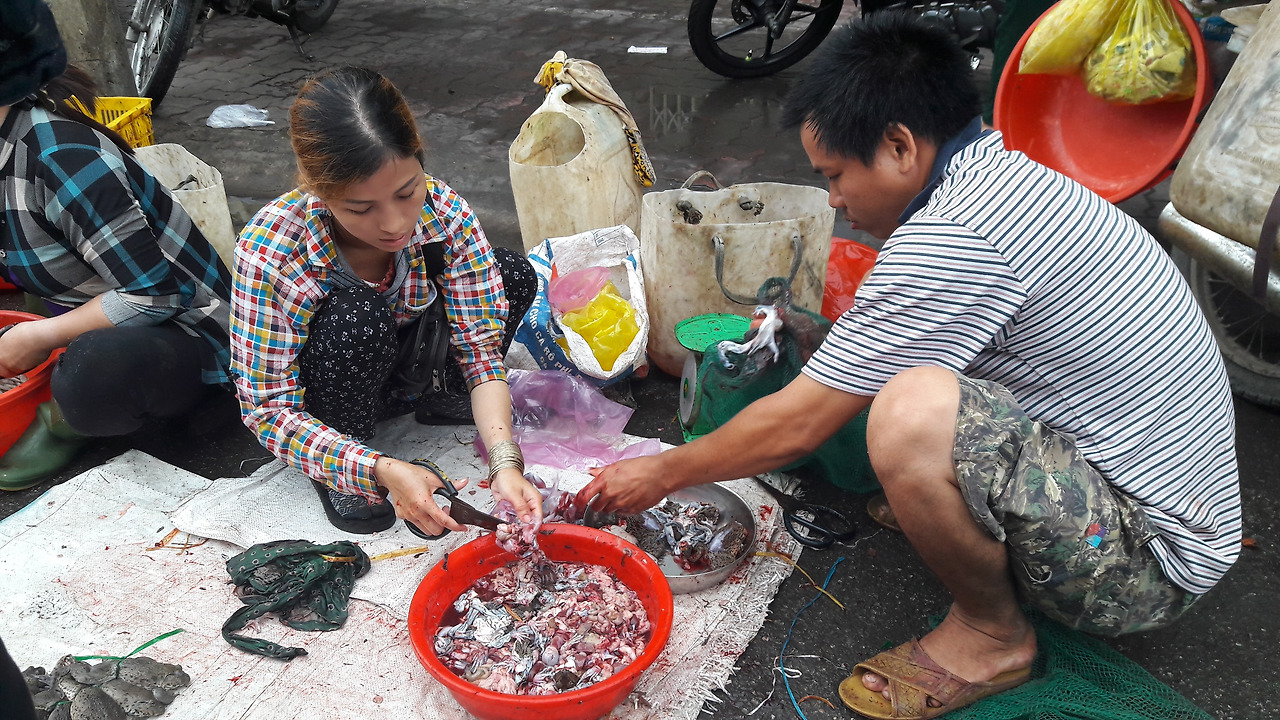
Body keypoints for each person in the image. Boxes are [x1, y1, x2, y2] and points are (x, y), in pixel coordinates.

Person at [577, 12, 1240, 719]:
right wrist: (800, 333)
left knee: (908, 417)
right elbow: (876, 343)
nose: (834, 199)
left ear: (898, 146)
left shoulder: (956, 237)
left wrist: (662, 470)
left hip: (1146, 558)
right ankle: (964, 511)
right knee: (878, 376)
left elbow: (803, 423)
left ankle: (993, 636)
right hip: (1139, 487)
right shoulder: (998, 173)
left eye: (834, 174)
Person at [232, 67, 542, 538]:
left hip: (406, 361)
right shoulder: (274, 251)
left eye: (407, 191)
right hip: (336, 381)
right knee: (358, 316)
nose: (396, 224)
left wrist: (505, 462)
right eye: (360, 208)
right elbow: (267, 408)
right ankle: (346, 459)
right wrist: (376, 468)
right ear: (319, 191)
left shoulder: (444, 211)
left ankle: (439, 396)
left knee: (512, 271)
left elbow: (481, 351)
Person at [0, 1, 234, 491]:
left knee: (93, 378)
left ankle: (65, 418)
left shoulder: (62, 159)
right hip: (84, 310)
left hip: (186, 331)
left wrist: (36, 338)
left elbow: (156, 295)